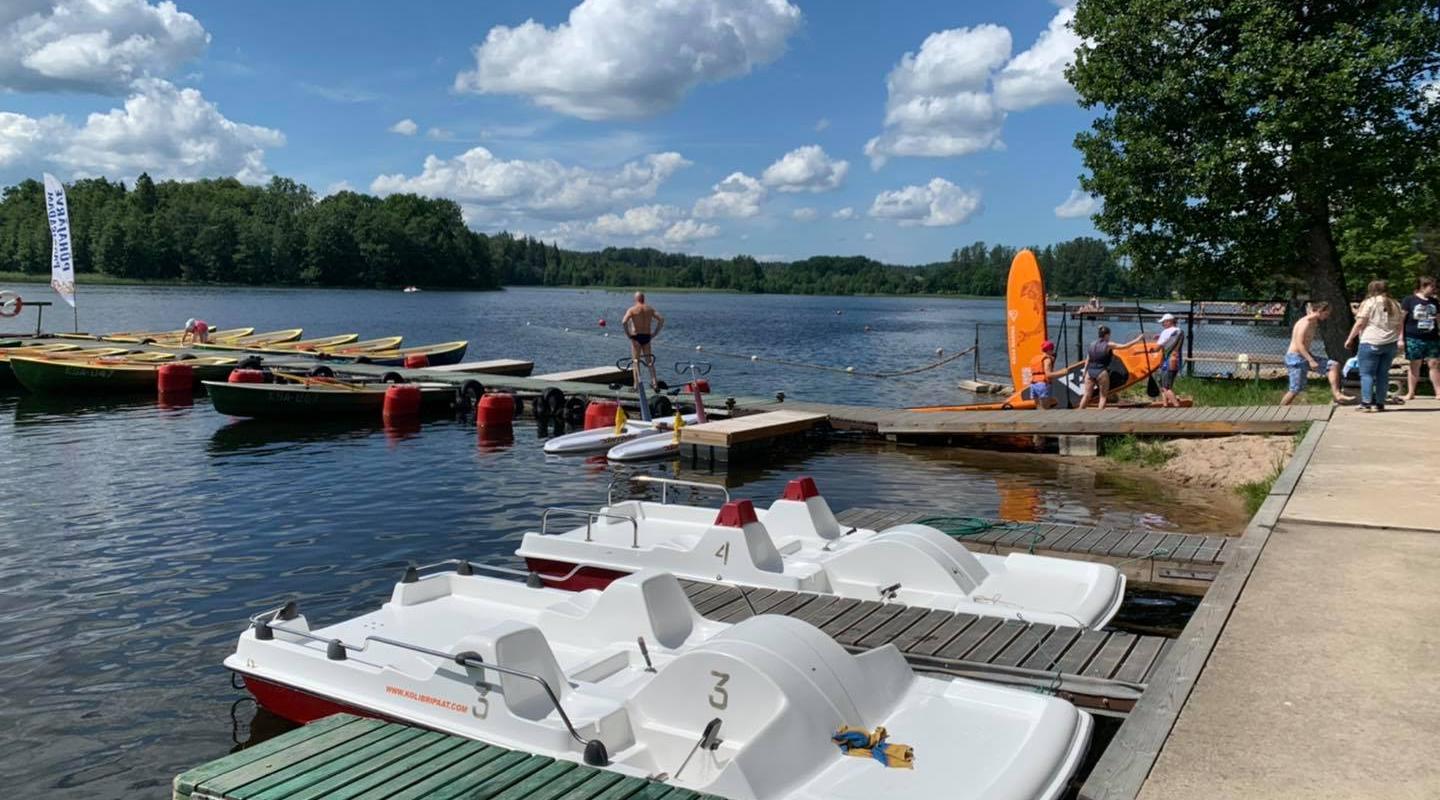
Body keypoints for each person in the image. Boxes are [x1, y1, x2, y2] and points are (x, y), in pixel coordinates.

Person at [1345, 280, 1403, 412]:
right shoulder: (1395, 304)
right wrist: (1398, 339)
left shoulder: (1369, 303)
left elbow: (1360, 323)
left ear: (1371, 290)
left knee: (1367, 374)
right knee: (1383, 374)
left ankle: (1366, 402)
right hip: (1390, 343)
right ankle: (1380, 402)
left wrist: (1350, 339)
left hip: (1371, 341)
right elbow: (1399, 325)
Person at [1280, 302, 1353, 406]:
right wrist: (1311, 360)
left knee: (1333, 365)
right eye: (1326, 313)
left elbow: (1310, 308)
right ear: (1320, 311)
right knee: (1295, 389)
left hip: (1305, 355)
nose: (1328, 316)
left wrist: (1310, 357)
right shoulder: (1305, 323)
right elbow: (1299, 344)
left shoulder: (1314, 322)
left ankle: (1337, 394)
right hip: (1295, 358)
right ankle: (1279, 410)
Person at [1077, 325, 1143, 410]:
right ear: (1107, 335)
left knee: (1086, 395)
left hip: (1090, 373)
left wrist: (1084, 372)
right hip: (1101, 372)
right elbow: (1125, 346)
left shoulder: (1091, 344)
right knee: (1103, 396)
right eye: (1109, 335)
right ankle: (1099, 415)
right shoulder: (1108, 344)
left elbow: (1088, 360)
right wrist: (1137, 339)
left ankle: (1078, 413)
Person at [1401, 276, 1439, 401]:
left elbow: (1438, 318)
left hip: (1432, 336)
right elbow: (1401, 320)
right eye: (1431, 287)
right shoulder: (1409, 300)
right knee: (1414, 364)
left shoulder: (1434, 302)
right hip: (1413, 336)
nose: (1434, 290)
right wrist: (1400, 338)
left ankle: (1438, 392)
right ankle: (1411, 392)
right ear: (1423, 287)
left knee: (1434, 364)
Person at [621, 291, 665, 389]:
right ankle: (654, 383)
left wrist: (628, 334)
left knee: (636, 361)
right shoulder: (649, 309)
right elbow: (661, 319)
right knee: (649, 361)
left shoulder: (632, 309)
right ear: (643, 299)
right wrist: (655, 333)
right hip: (647, 336)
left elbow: (624, 322)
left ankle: (636, 385)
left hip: (636, 337)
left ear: (635, 299)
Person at [1154, 313, 1184, 408]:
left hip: (1167, 362)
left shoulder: (1165, 332)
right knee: (1165, 385)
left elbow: (1157, 348)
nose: (1162, 324)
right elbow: (1172, 338)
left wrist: (1150, 349)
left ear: (1169, 322)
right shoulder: (1180, 331)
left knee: (1166, 387)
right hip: (1176, 361)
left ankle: (1176, 405)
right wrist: (1160, 337)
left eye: (1164, 322)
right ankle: (1165, 405)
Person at [1027, 340, 1059, 409]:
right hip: (1043, 385)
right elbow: (1048, 374)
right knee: (1045, 409)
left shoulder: (1035, 358)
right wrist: (1063, 372)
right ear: (1050, 350)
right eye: (1052, 349)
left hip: (1033, 385)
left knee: (1039, 408)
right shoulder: (1047, 360)